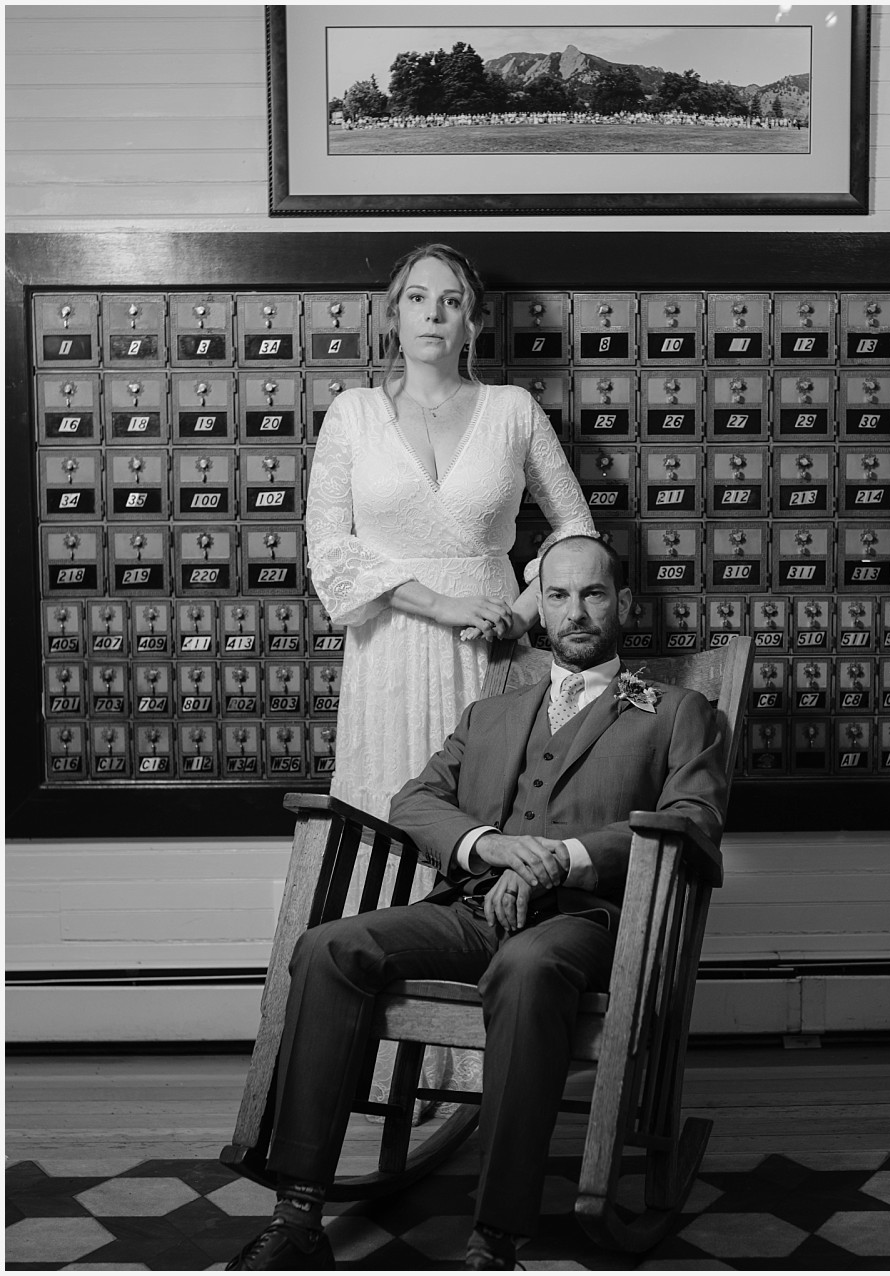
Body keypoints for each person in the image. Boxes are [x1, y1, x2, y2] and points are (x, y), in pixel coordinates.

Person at [227, 536, 727, 1271]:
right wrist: (489, 845)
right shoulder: (493, 711)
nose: (576, 611)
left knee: (526, 969)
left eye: (592, 594)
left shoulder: (679, 712)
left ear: (623, 603)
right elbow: (416, 800)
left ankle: (495, 1237)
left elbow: (694, 819)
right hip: (469, 909)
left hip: (583, 923)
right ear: (541, 608)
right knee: (329, 948)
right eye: (558, 595)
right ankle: (299, 1206)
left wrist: (565, 857)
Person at [305, 243, 595, 1105]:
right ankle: (377, 1060)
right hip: (394, 650)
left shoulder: (512, 410)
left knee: (492, 829)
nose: (434, 313)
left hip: (497, 655)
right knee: (391, 830)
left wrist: (530, 610)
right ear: (392, 314)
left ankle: (486, 1059)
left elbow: (572, 530)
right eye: (418, 298)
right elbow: (330, 549)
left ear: (474, 319)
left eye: (453, 299)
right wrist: (435, 603)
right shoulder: (352, 414)